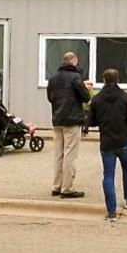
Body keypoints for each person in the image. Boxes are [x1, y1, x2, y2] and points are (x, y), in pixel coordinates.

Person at [85, 68, 127, 222]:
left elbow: (92, 121)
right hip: (124, 141)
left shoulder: (97, 99)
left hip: (107, 142)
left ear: (103, 81)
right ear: (118, 80)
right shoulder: (125, 98)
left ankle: (111, 211)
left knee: (108, 175)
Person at [46, 51, 93, 198]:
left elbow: (49, 97)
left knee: (58, 154)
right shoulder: (75, 77)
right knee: (70, 154)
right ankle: (67, 188)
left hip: (57, 119)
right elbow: (85, 97)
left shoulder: (53, 77)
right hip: (72, 120)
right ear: (74, 62)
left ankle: (57, 186)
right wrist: (87, 88)